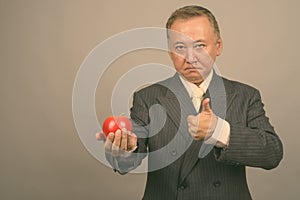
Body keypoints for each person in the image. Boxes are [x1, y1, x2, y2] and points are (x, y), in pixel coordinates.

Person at [96, 5, 283, 200]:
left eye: (200, 45)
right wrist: (124, 149)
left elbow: (272, 153)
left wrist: (219, 131)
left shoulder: (245, 96)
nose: (190, 57)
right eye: (180, 47)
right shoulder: (148, 97)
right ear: (170, 52)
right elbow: (129, 158)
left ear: (218, 46)